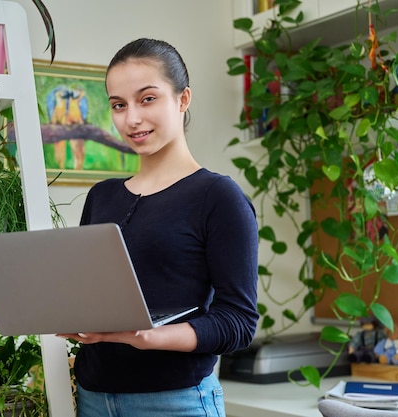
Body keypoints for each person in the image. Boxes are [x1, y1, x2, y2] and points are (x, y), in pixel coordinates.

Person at [56, 38, 259, 417]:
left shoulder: (219, 197)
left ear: (183, 100)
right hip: (92, 398)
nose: (131, 118)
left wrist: (144, 337)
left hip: (176, 403)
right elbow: (90, 296)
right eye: (119, 105)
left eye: (147, 98)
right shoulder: (102, 197)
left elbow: (238, 324)